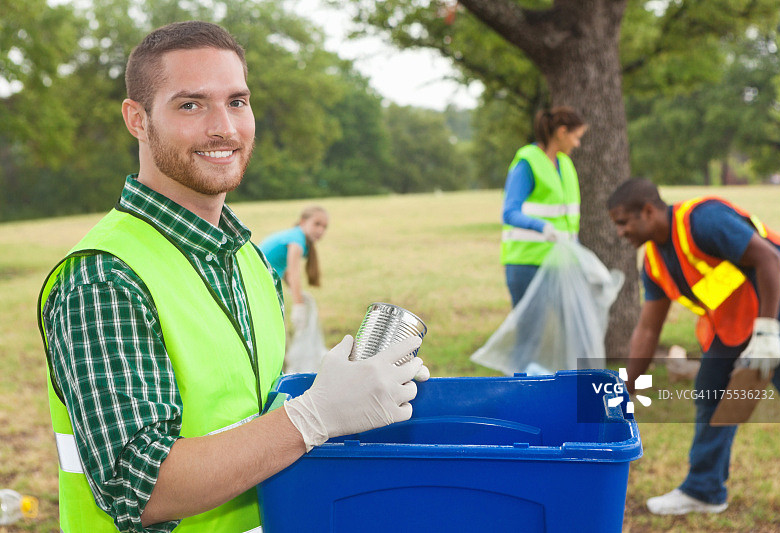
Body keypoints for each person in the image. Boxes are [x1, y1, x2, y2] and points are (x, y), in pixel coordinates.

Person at [37, 21, 429, 533]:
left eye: (237, 101)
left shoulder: (250, 260)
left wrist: (348, 396)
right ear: (137, 119)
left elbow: (244, 416)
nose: (223, 127)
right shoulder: (103, 277)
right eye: (190, 105)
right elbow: (144, 488)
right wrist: (314, 416)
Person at [607, 178, 780, 515]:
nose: (620, 232)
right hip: (734, 317)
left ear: (648, 211)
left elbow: (770, 260)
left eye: (623, 222)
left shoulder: (703, 221)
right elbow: (648, 330)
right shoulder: (654, 263)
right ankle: (704, 490)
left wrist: (768, 333)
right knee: (710, 390)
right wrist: (625, 389)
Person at [501, 106, 588, 306]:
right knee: (532, 333)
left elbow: (567, 218)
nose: (578, 143)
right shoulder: (528, 162)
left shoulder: (564, 164)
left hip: (559, 263)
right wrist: (543, 227)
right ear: (561, 132)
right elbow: (509, 213)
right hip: (527, 263)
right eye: (576, 137)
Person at [259, 206, 328, 330]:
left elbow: (284, 270)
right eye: (317, 224)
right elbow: (293, 273)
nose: (320, 230)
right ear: (303, 222)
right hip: (257, 283)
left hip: (264, 283)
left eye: (324, 227)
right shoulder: (296, 241)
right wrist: (298, 305)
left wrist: (296, 292)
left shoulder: (298, 238)